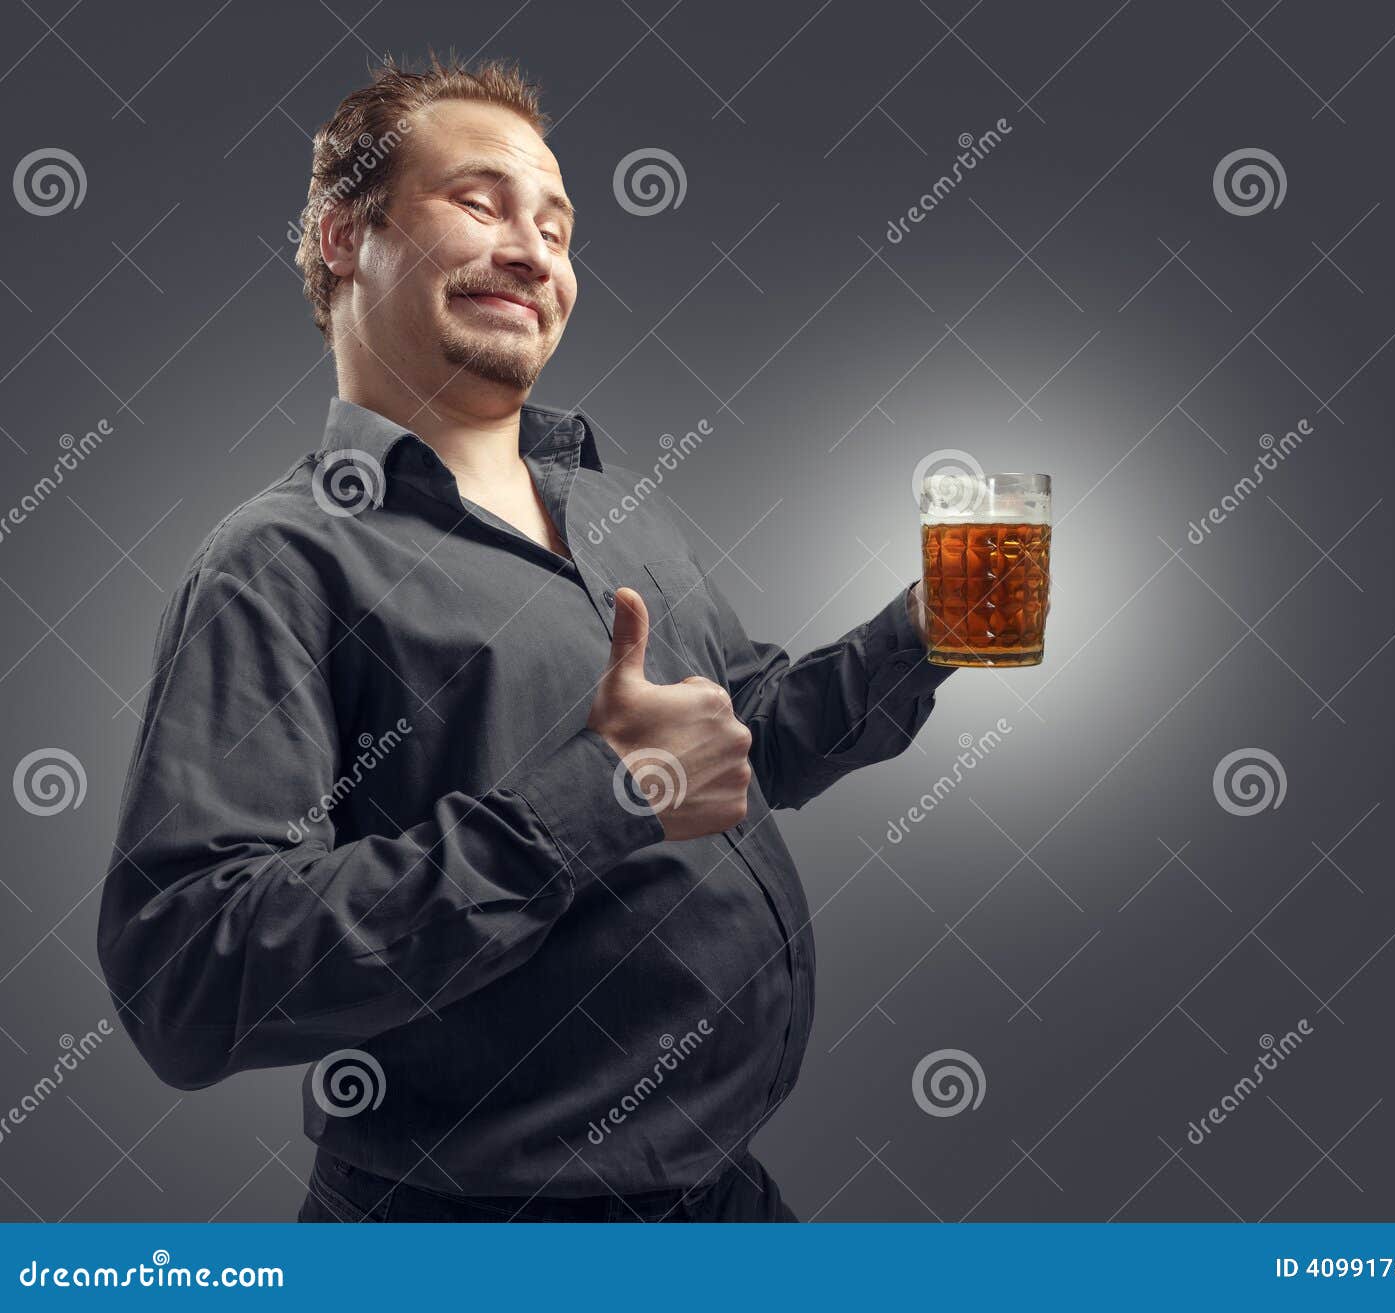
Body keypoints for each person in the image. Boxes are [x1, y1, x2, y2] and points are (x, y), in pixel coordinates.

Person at [95, 52, 957, 1223]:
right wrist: (605, 790)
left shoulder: (620, 511)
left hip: (724, 1207)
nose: (535, 250)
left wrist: (927, 630)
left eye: (557, 226)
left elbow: (741, 745)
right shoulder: (277, 563)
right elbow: (191, 975)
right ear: (344, 236)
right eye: (482, 202)